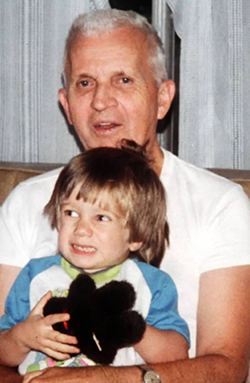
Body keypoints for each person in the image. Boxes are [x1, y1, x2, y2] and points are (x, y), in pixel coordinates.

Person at [0, 8, 250, 383]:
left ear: (163, 99)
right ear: (66, 104)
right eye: (85, 83)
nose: (101, 100)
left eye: (123, 79)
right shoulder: (25, 202)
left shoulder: (220, 204)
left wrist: (108, 380)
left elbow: (228, 368)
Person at [0, 141, 189, 375]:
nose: (81, 229)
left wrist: (128, 328)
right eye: (71, 213)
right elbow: (3, 352)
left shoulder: (151, 283)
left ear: (136, 236)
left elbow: (178, 355)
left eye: (101, 218)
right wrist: (23, 337)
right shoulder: (35, 275)